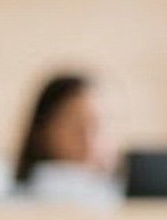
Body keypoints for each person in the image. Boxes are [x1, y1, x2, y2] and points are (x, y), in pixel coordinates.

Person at [9, 72, 118, 203]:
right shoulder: (19, 203)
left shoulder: (117, 197)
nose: (88, 140)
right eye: (75, 127)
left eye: (96, 126)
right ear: (42, 132)